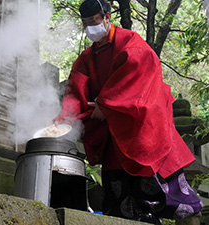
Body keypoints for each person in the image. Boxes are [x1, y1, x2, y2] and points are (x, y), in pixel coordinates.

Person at [53, 0, 203, 224]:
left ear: (107, 17)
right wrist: (64, 120)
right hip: (114, 137)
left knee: (172, 199)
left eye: (93, 21)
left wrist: (107, 105)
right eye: (85, 23)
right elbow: (75, 91)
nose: (89, 28)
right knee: (119, 202)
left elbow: (140, 78)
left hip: (143, 130)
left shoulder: (131, 44)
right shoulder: (85, 59)